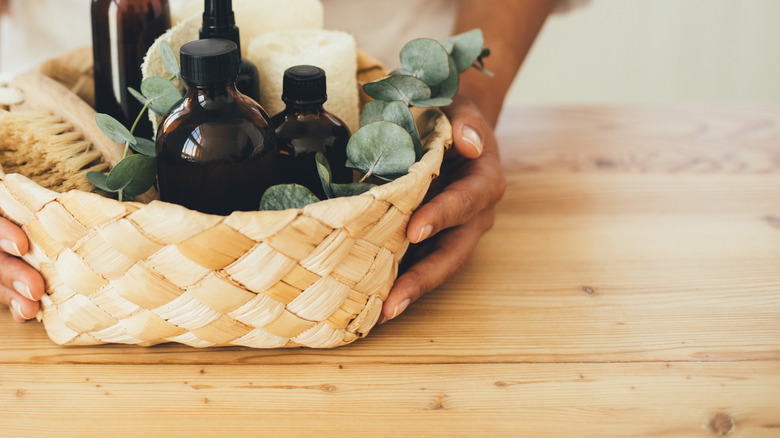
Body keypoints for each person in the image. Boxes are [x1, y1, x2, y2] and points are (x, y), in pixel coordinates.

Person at [0, 0, 577, 324]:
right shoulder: (183, 124)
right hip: (43, 87)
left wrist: (469, 104)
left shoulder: (262, 124)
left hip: (389, 92)